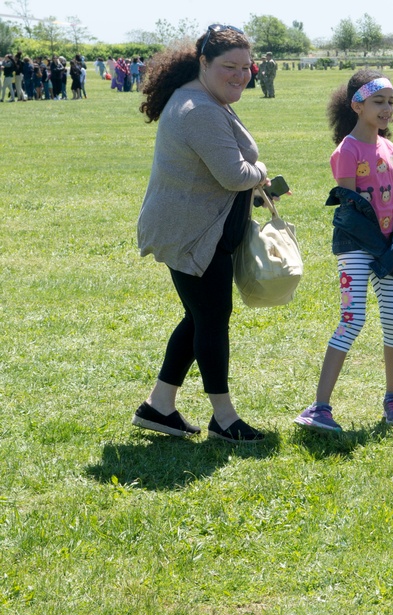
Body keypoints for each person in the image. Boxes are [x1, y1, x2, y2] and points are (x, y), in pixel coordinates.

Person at [133, 24, 269, 443]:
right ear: (203, 63)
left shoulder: (204, 99)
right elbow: (232, 174)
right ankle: (225, 419)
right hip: (195, 235)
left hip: (193, 229)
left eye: (247, 67)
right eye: (229, 66)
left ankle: (158, 407)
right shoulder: (200, 108)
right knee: (211, 319)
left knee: (200, 317)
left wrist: (254, 192)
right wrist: (261, 175)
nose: (240, 75)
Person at [295, 70, 393, 432]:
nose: (386, 108)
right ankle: (319, 407)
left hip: (387, 250)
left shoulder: (390, 148)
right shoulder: (347, 151)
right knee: (353, 318)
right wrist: (377, 243)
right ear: (357, 105)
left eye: (391, 101)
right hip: (356, 247)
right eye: (379, 101)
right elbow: (350, 207)